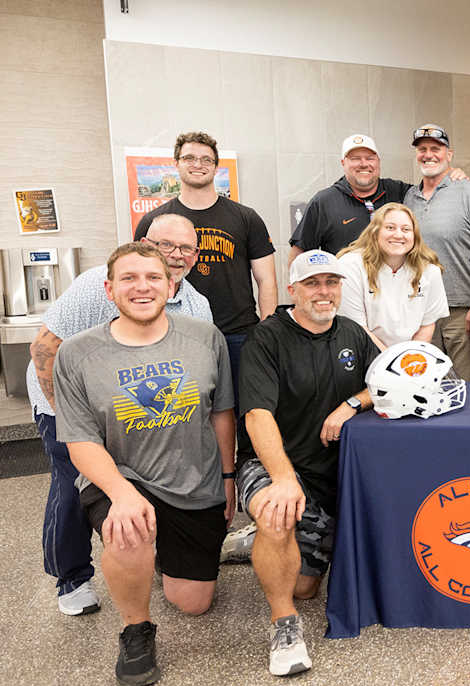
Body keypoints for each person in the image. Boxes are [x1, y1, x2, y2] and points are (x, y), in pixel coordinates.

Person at [53, 242, 235, 686]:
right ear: (109, 288)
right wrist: (121, 493)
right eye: (129, 278)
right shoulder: (77, 354)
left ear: (171, 285)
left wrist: (228, 479)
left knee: (193, 602)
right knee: (128, 529)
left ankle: (158, 559)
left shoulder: (204, 338)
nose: (142, 287)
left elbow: (221, 414)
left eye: (153, 278)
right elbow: (80, 442)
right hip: (123, 475)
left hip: (194, 480)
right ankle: (136, 629)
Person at [27, 215, 212, 617]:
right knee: (72, 484)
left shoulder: (197, 306)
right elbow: (44, 349)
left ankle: (156, 558)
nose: (176, 256)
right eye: (166, 245)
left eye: (186, 249)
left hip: (139, 410)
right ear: (145, 242)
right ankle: (72, 577)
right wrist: (72, 420)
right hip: (63, 400)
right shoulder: (99, 285)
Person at [236, 249, 378, 676]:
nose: (324, 292)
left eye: (332, 283)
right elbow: (257, 415)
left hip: (327, 474)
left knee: (305, 586)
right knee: (278, 513)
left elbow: (387, 381)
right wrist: (281, 479)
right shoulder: (268, 337)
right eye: (313, 283)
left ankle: (255, 543)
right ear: (293, 289)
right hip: (274, 460)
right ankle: (285, 627)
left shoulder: (352, 333)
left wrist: (352, 403)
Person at [133, 131, 277, 404]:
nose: (197, 164)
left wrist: (267, 333)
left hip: (238, 335)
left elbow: (266, 280)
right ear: (176, 163)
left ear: (215, 166)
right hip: (174, 335)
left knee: (247, 411)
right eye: (189, 157)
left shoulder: (246, 218)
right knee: (182, 411)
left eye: (205, 159)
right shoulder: (153, 222)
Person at [402, 123, 470, 381]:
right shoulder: (409, 197)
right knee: (427, 385)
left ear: (449, 155)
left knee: (468, 387)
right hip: (421, 310)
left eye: (435, 149)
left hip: (462, 313)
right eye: (422, 149)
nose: (428, 154)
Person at [336, 202, 448, 350]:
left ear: (415, 235)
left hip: (410, 357)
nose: (398, 235)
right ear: (375, 232)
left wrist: (408, 361)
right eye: (390, 227)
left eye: (406, 229)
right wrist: (390, 361)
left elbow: (426, 325)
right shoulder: (350, 265)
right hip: (362, 350)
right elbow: (357, 327)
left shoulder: (429, 271)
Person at [288, 134, 413, 261]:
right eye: (355, 159)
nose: (363, 164)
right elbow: (299, 256)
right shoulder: (324, 202)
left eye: (370, 158)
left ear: (378, 162)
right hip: (345, 280)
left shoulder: (400, 192)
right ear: (343, 163)